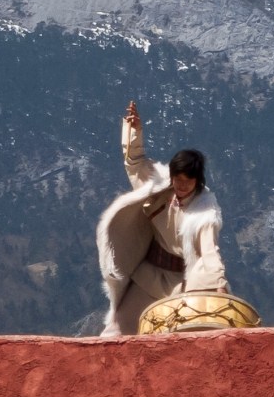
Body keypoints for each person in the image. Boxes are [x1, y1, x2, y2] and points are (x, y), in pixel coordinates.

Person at [96, 101, 228, 336]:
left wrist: (218, 285)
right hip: (151, 275)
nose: (182, 185)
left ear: (198, 181)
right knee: (116, 331)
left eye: (188, 181)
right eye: (178, 179)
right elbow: (136, 163)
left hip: (187, 284)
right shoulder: (160, 185)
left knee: (196, 339)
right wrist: (134, 130)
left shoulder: (205, 213)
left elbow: (210, 252)